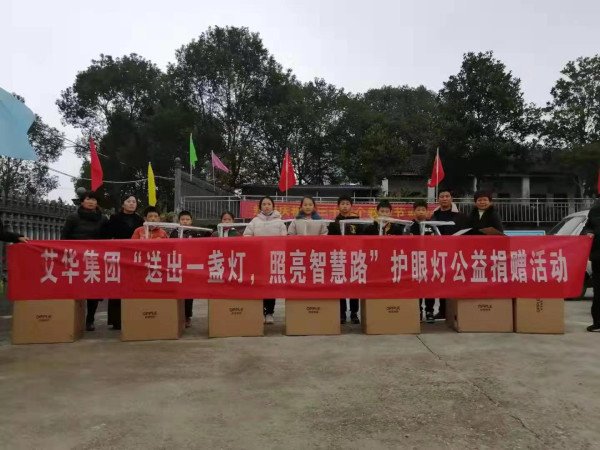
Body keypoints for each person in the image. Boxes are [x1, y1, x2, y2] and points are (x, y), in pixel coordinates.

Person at [61, 190, 107, 331]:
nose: (91, 202)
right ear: (82, 201)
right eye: (88, 199)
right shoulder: (73, 218)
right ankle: (72, 317)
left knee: (93, 290)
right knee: (74, 289)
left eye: (94, 200)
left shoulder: (103, 219)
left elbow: (107, 238)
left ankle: (90, 319)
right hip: (76, 258)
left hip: (95, 258)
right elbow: (64, 237)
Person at [102, 194, 144, 330]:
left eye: (134, 201)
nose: (131, 204)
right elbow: (106, 237)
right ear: (123, 204)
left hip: (135, 257)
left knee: (134, 287)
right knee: (117, 287)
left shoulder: (140, 220)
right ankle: (116, 320)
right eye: (128, 201)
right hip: (118, 255)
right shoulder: (115, 218)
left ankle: (134, 316)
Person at [243, 196, 287, 324]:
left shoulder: (279, 222)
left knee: (271, 286)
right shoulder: (254, 221)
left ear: (273, 206)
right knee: (259, 285)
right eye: (264, 204)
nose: (266, 206)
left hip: (273, 258)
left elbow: (284, 239)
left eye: (269, 204)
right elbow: (247, 236)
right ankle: (260, 311)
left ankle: (269, 313)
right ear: (260, 207)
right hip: (258, 258)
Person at [430, 189, 468, 319]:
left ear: (451, 198)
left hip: (456, 254)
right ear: (438, 199)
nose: (444, 199)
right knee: (441, 282)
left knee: (456, 283)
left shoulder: (461, 216)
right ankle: (442, 311)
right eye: (442, 196)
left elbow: (467, 233)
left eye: (447, 196)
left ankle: (456, 312)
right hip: (439, 254)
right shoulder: (434, 215)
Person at [328, 195, 361, 324]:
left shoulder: (357, 221)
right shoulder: (333, 223)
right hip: (339, 258)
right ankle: (341, 313)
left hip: (354, 257)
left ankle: (354, 313)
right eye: (342, 204)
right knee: (340, 286)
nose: (345, 206)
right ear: (338, 206)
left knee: (354, 286)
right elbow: (330, 241)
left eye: (347, 204)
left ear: (351, 206)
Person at [169, 210, 206, 328]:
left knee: (189, 292)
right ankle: (175, 315)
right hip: (176, 265)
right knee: (176, 291)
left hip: (191, 265)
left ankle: (187, 316)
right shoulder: (174, 232)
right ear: (179, 221)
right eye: (182, 219)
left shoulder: (197, 232)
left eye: (187, 219)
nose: (185, 221)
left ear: (191, 221)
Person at [408, 200, 437, 323]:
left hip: (429, 260)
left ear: (427, 211)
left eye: (423, 210)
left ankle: (429, 311)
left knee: (430, 287)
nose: (421, 212)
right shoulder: (409, 226)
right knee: (416, 287)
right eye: (418, 210)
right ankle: (418, 310)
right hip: (414, 261)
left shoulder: (432, 225)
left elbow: (439, 241)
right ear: (414, 211)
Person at [584, 199, 600, 332]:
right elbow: (587, 226)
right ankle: (598, 322)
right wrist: (588, 232)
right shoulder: (595, 210)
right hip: (598, 257)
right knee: (598, 291)